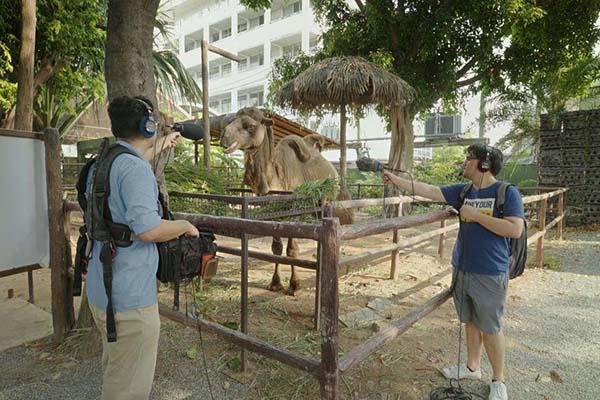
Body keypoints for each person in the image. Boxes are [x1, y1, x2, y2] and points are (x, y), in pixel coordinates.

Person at [382, 144, 524, 400]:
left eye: (469, 158)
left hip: (490, 270)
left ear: (484, 164)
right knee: (469, 319)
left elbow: (515, 230)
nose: (465, 162)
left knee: (490, 326)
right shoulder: (463, 191)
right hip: (462, 267)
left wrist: (476, 215)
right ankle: (472, 367)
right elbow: (430, 191)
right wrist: (395, 179)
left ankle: (498, 380)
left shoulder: (507, 192)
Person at [85, 95, 199, 400]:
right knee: (128, 391)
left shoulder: (103, 162)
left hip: (102, 292)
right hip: (130, 300)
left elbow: (125, 178)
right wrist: (184, 226)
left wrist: (159, 145)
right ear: (148, 127)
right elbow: (148, 230)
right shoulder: (135, 170)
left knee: (117, 375)